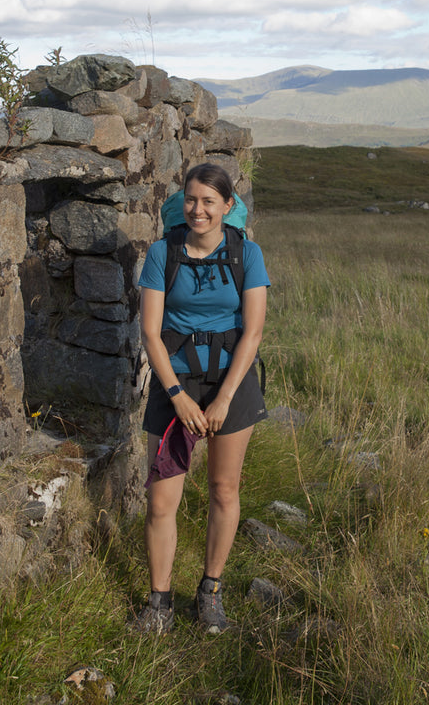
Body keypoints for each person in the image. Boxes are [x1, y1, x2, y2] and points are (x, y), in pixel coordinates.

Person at [131, 163, 271, 635]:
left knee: (224, 490)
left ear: (227, 207)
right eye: (191, 200)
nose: (198, 209)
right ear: (182, 203)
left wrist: (224, 398)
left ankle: (210, 592)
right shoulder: (161, 253)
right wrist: (178, 398)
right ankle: (159, 604)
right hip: (176, 384)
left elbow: (252, 332)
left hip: (231, 383)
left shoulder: (247, 254)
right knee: (161, 500)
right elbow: (151, 332)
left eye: (209, 201)